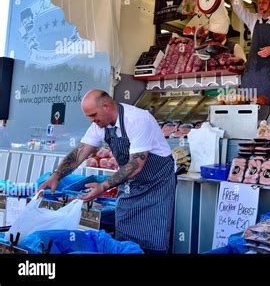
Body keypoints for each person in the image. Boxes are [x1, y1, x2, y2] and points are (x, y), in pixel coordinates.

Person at [39, 90, 176, 254]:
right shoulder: (99, 125)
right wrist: (56, 175)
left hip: (156, 186)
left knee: (153, 239)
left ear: (106, 106)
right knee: (124, 237)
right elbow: (79, 153)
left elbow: (136, 164)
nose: (91, 120)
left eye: (93, 115)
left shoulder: (138, 119)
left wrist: (103, 186)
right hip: (130, 185)